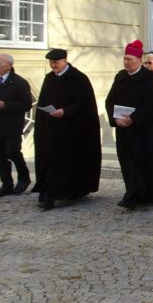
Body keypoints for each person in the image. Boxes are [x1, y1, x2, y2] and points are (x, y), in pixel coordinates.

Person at [32, 48, 101, 210]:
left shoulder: (78, 78)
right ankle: (50, 193)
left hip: (72, 131)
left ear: (64, 61)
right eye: (51, 63)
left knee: (65, 162)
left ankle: (53, 195)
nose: (53, 65)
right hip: (52, 129)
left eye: (56, 62)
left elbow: (85, 105)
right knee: (52, 161)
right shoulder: (49, 78)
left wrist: (65, 111)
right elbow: (43, 100)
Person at [104, 39, 153, 208]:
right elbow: (110, 100)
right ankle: (132, 192)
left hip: (144, 129)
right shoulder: (120, 76)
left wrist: (133, 118)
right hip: (123, 129)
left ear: (139, 60)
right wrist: (115, 118)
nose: (126, 63)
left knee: (144, 162)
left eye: (129, 60)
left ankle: (147, 194)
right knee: (127, 161)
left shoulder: (151, 79)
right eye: (124, 59)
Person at [0, 53, 33, 197]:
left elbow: (26, 105)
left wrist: (5, 105)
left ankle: (24, 178)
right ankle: (6, 183)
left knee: (13, 152)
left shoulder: (19, 82)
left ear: (9, 65)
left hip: (12, 125)